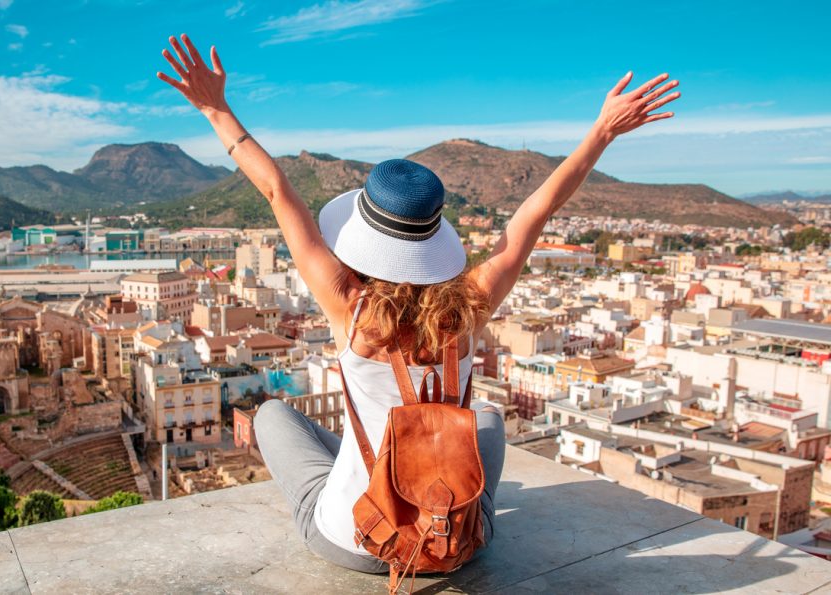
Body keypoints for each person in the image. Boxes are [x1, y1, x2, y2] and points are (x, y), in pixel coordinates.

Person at [157, 34, 680, 574]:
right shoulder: (471, 305)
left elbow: (276, 190)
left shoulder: (350, 307)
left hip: (354, 540)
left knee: (270, 415)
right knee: (488, 420)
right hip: (458, 544)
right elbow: (534, 214)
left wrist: (216, 109)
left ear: (364, 233)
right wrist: (602, 131)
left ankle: (369, 475)